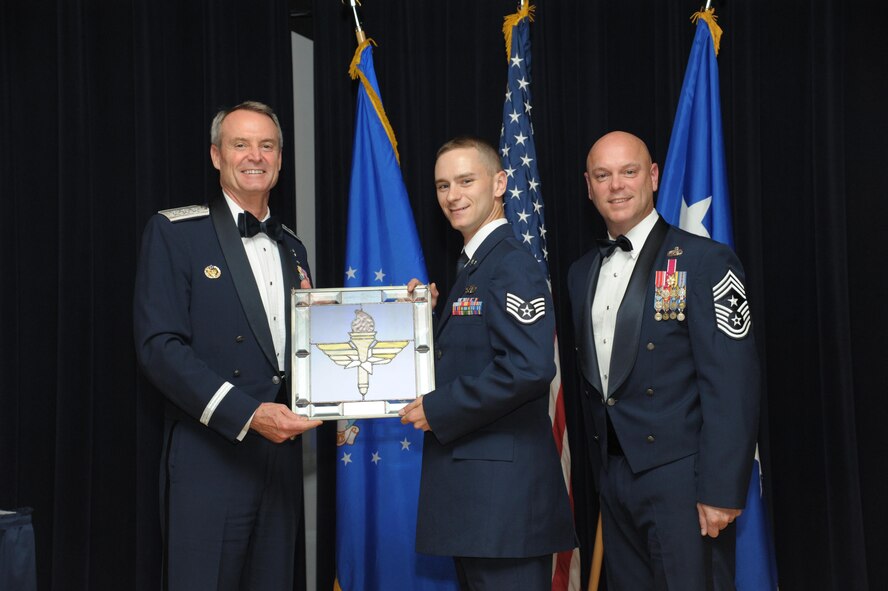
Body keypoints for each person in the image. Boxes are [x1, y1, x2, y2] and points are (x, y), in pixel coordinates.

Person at [133, 101, 322, 591]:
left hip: (279, 461)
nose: (254, 156)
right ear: (217, 155)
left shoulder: (292, 247)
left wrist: (406, 312)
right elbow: (160, 347)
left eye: (267, 145)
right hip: (210, 456)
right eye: (241, 144)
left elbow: (309, 347)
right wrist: (247, 413)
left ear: (280, 160)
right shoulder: (176, 233)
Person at [566, 131, 760, 590]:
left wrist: (720, 489)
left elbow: (732, 383)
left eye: (629, 172)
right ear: (588, 186)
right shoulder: (580, 274)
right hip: (613, 478)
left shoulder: (706, 261)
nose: (616, 185)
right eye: (603, 175)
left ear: (652, 177)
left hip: (684, 481)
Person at [400, 137, 576, 591]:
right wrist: (424, 320)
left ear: (499, 183)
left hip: (504, 510)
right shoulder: (475, 268)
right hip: (480, 507)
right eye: (442, 185)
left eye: (465, 180)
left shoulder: (511, 265)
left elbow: (528, 368)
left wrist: (439, 408)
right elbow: (471, 355)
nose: (452, 196)